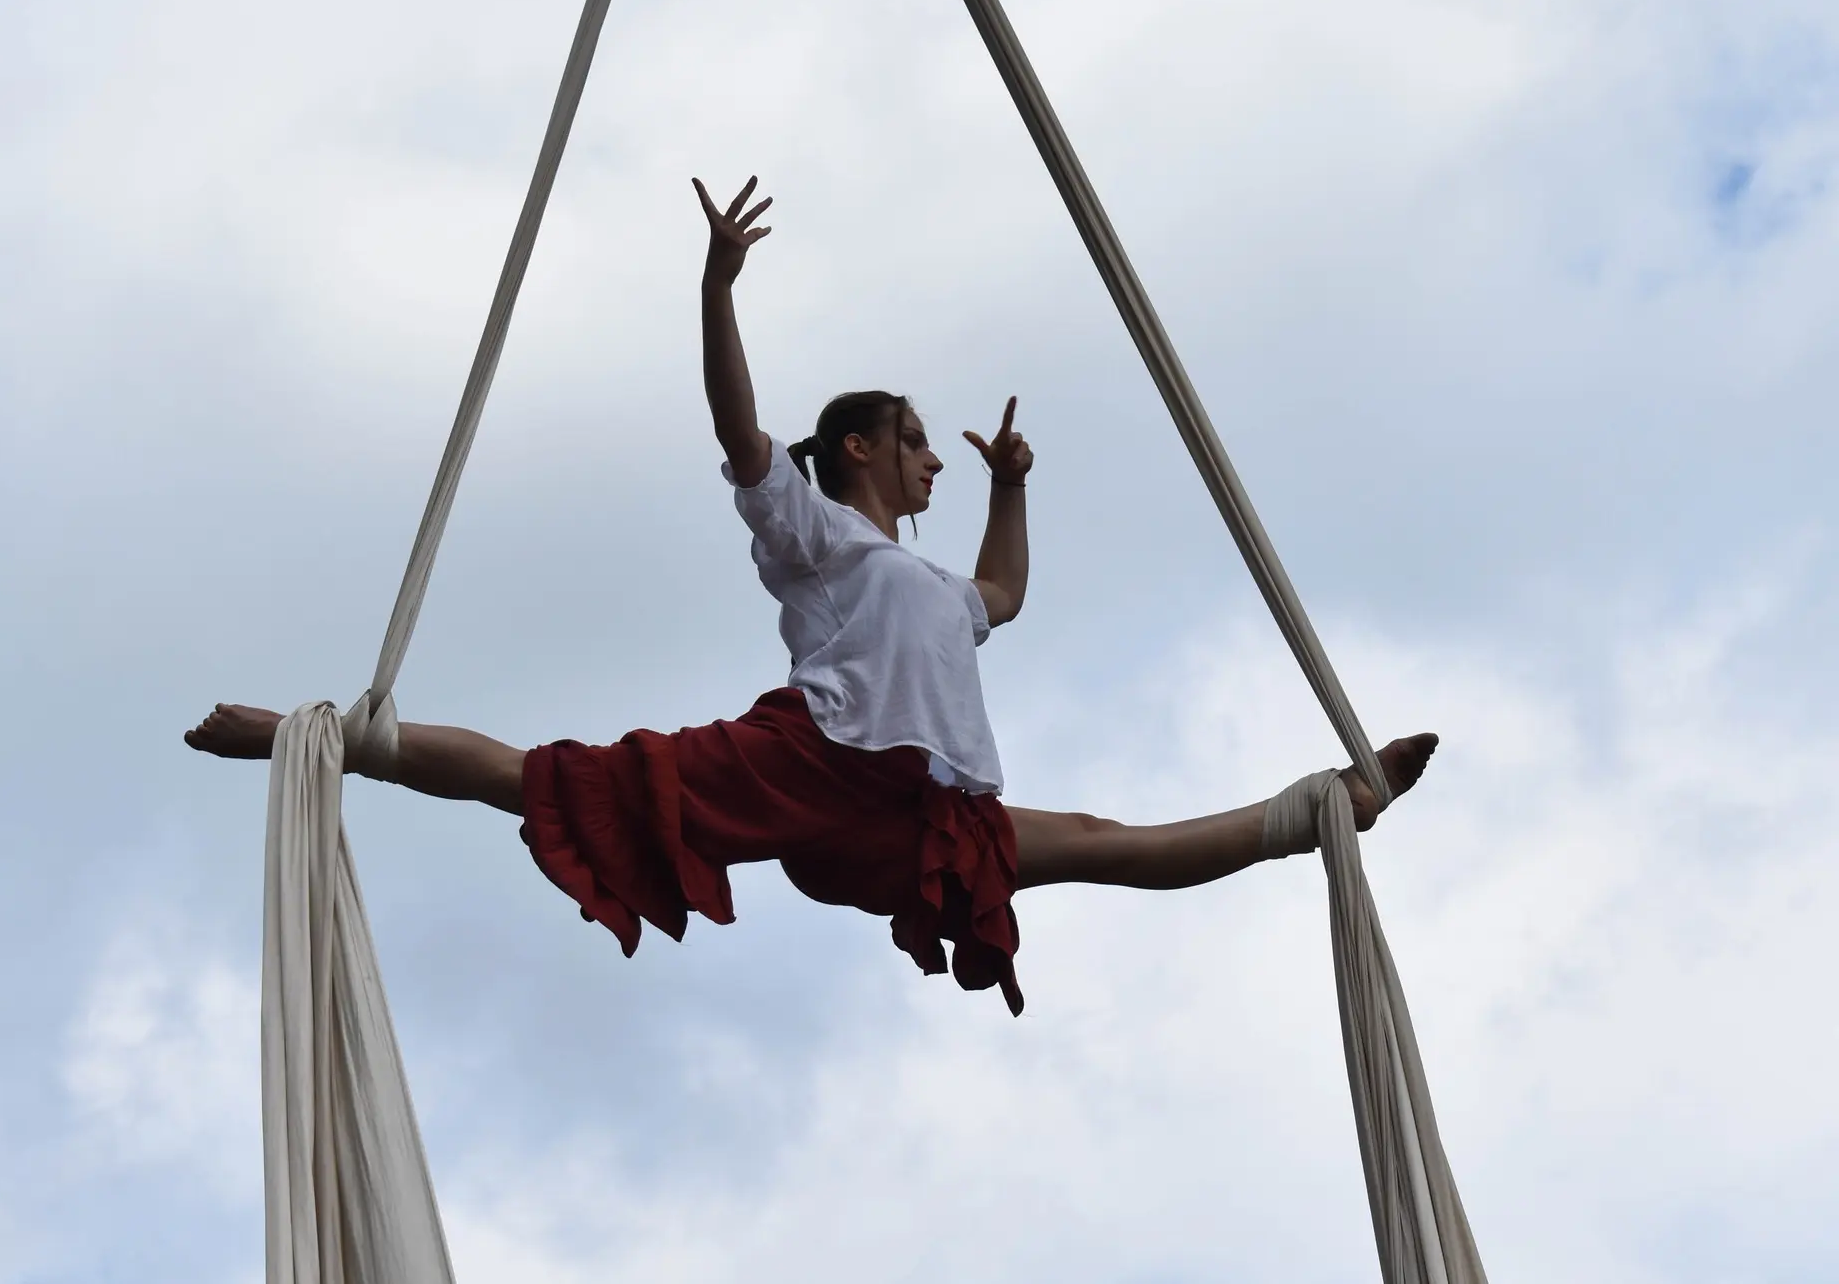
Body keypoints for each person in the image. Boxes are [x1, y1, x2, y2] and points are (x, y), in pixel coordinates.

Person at [186, 175, 1438, 1015]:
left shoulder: (939, 588)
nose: (931, 457)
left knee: (1107, 848)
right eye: (915, 440)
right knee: (553, 778)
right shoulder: (817, 535)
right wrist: (716, 289)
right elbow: (739, 428)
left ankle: (1326, 809)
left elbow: (1001, 589)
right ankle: (325, 740)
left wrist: (1011, 486)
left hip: (924, 806)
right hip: (815, 759)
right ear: (855, 450)